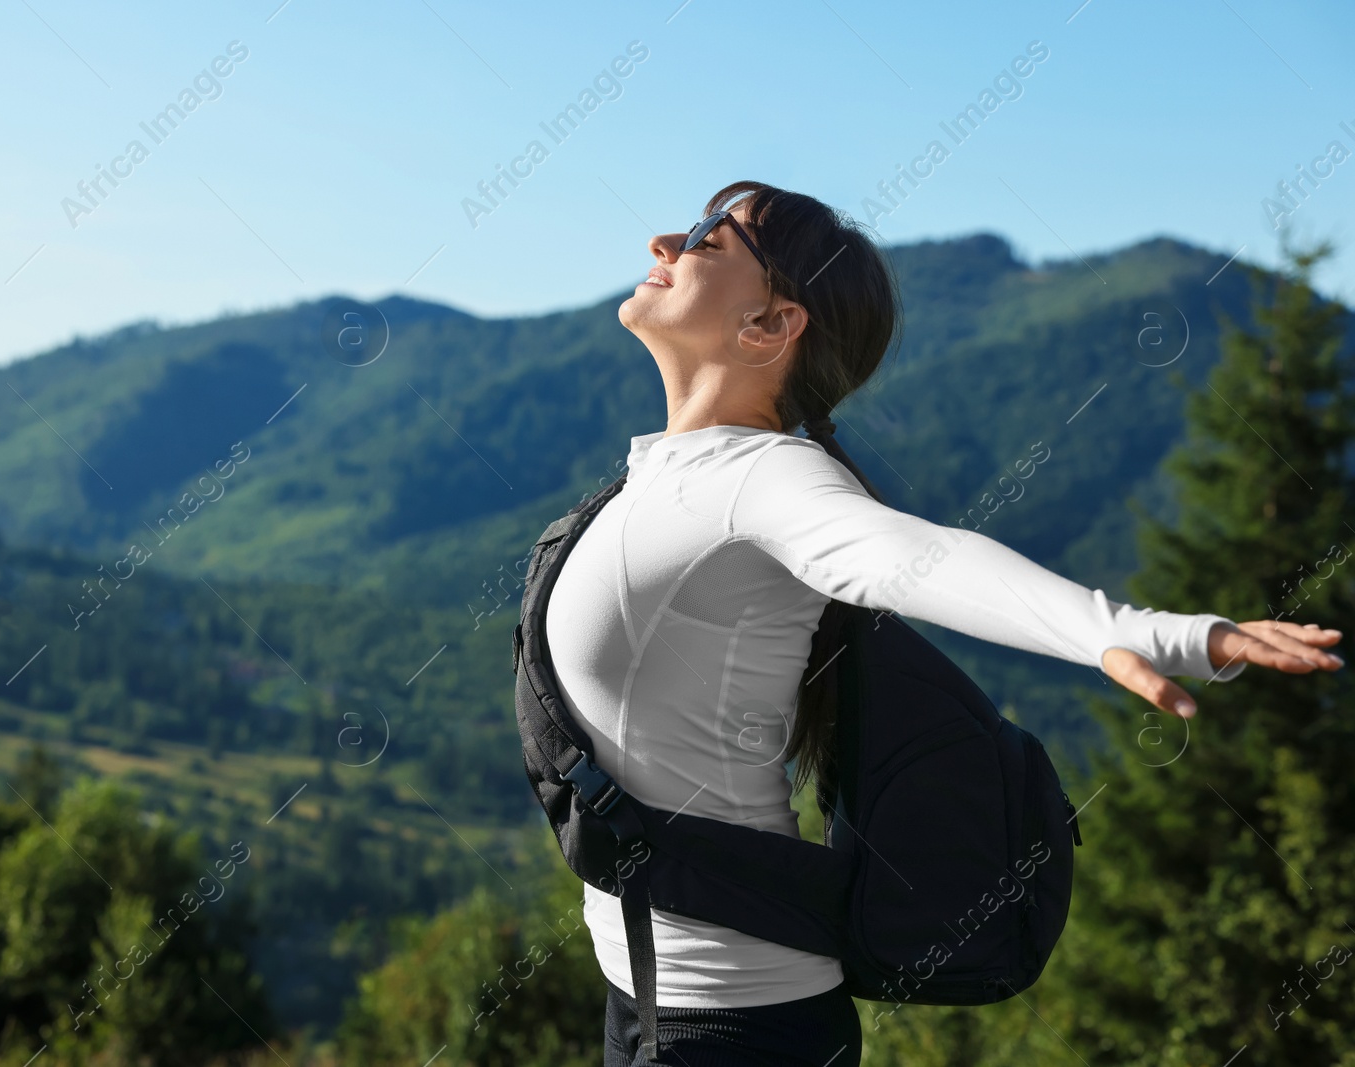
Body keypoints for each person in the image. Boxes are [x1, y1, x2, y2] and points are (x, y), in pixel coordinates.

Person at [542, 180, 1346, 1067]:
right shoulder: (665, 472)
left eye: (707, 237)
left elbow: (917, 556)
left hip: (730, 1027)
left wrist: (1141, 632)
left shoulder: (766, 479)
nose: (665, 239)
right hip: (648, 1001)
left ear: (771, 325)